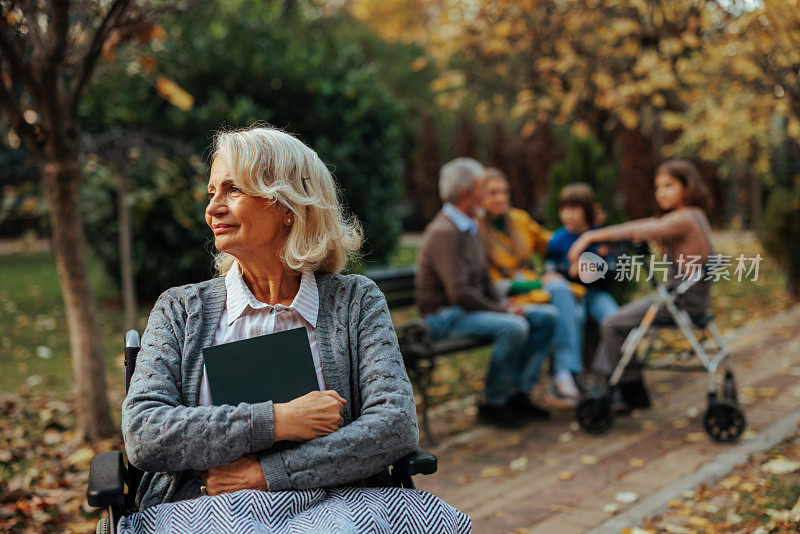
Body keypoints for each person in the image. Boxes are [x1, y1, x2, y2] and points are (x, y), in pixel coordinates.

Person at [120, 126, 469, 533]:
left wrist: (266, 474)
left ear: (288, 204)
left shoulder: (354, 301)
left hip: (339, 500)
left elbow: (394, 425)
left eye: (233, 190)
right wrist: (278, 420)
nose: (212, 208)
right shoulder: (181, 309)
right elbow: (145, 434)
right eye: (212, 192)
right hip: (206, 503)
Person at [416, 158, 557, 429]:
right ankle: (494, 402)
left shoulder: (469, 225)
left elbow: (482, 278)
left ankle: (519, 394)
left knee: (546, 317)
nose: (487, 193)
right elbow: (460, 294)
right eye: (483, 187)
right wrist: (503, 310)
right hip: (443, 317)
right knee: (513, 327)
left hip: (467, 311)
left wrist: (504, 301)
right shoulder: (445, 231)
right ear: (467, 192)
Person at [568, 159, 714, 411]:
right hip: (689, 299)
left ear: (687, 187)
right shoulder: (694, 215)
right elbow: (646, 226)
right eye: (658, 187)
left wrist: (590, 235)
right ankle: (621, 385)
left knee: (611, 323)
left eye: (669, 186)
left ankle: (626, 388)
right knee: (618, 321)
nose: (661, 193)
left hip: (681, 303)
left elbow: (648, 228)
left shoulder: (684, 218)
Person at [478, 169, 584, 402]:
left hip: (533, 289)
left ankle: (561, 373)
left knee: (571, 306)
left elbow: (551, 243)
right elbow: (489, 283)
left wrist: (585, 233)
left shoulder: (518, 219)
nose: (501, 199)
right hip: (506, 295)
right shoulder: (475, 230)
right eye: (493, 193)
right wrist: (538, 282)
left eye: (504, 192)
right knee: (567, 306)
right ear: (479, 196)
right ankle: (565, 374)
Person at [546, 183, 620, 352]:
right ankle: (572, 371)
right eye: (563, 209)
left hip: (595, 294)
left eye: (573, 209)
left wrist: (596, 271)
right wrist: (569, 271)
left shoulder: (599, 237)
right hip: (570, 295)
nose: (567, 215)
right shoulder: (557, 240)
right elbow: (551, 270)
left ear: (586, 210)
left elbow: (613, 271)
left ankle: (611, 368)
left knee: (614, 317)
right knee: (575, 318)